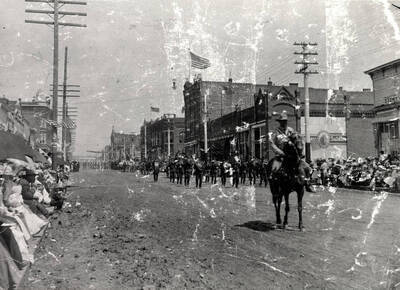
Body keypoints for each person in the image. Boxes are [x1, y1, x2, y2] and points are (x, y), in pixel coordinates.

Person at [269, 111, 315, 192]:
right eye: (282, 121)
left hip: (293, 156)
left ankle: (308, 183)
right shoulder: (275, 132)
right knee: (274, 170)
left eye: (285, 121)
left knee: (307, 168)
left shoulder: (291, 130)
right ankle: (275, 184)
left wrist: (300, 152)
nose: (284, 123)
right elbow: (272, 144)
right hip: (281, 156)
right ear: (279, 122)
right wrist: (280, 152)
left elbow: (298, 140)